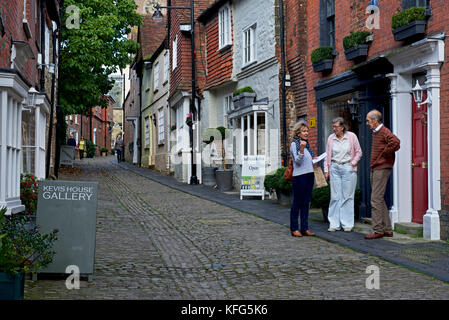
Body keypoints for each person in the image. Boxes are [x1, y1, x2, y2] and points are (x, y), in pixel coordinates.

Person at [365, 109, 400, 239]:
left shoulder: (383, 131)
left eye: (368, 121)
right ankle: (387, 229)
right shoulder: (376, 132)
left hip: (381, 167)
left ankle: (377, 230)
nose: (367, 123)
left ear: (375, 120)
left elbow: (396, 142)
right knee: (379, 199)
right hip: (377, 167)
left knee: (375, 199)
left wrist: (384, 155)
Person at [324, 117, 362, 232]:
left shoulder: (351, 136)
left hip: (347, 167)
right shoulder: (331, 138)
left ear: (342, 127)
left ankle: (347, 224)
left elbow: (359, 152)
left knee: (348, 197)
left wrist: (352, 164)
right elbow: (327, 155)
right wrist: (326, 170)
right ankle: (334, 224)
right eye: (333, 126)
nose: (334, 128)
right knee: (335, 197)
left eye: (336, 126)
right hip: (334, 167)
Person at [289, 121, 316, 237]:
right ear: (298, 132)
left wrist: (314, 159)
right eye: (304, 131)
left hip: (309, 175)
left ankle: (305, 228)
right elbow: (298, 161)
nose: (306, 133)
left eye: (307, 131)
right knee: (297, 203)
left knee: (306, 203)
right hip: (299, 177)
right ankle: (294, 228)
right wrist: (301, 149)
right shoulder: (295, 144)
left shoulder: (307, 145)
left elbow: (307, 160)